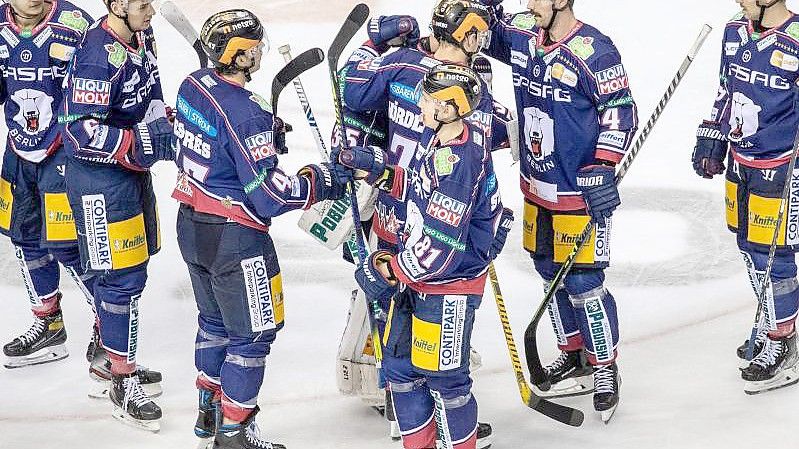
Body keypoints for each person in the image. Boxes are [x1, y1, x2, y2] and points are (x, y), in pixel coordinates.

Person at [173, 9, 349, 449]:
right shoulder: (247, 112)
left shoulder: (192, 84)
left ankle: (208, 416)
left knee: (214, 323)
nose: (258, 54)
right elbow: (270, 196)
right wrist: (319, 179)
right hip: (236, 237)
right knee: (253, 336)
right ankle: (234, 433)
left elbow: (219, 136)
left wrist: (263, 135)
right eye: (253, 47)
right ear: (241, 53)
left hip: (192, 226)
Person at [481, 0, 638, 421]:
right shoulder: (522, 36)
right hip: (537, 185)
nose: (527, 4)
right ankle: (575, 354)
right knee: (548, 271)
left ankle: (605, 367)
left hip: (578, 192)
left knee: (585, 283)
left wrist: (604, 165)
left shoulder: (593, 50)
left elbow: (621, 110)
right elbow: (479, 29)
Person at [337, 63, 504, 449]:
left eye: (428, 99)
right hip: (419, 277)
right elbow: (420, 185)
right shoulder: (442, 140)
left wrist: (389, 268)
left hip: (448, 285)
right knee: (399, 370)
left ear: (448, 108)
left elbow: (442, 246)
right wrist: (378, 171)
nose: (420, 103)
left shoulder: (463, 163)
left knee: (444, 380)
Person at [60, 0, 173, 431]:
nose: (152, 10)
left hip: (128, 177)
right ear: (118, 5)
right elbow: (78, 130)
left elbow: (152, 95)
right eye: (144, 3)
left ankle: (109, 357)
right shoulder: (95, 55)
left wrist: (166, 124)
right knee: (121, 280)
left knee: (133, 273)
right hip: (99, 182)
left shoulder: (142, 38)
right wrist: (142, 140)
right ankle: (120, 380)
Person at [692, 0, 799, 394]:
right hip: (741, 160)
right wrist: (713, 135)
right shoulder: (735, 31)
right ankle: (770, 318)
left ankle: (782, 341)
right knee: (745, 244)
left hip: (783, 163)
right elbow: (726, 91)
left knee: (772, 254)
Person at [0, 0, 96, 369]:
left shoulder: (75, 25)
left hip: (66, 152)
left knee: (69, 245)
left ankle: (107, 327)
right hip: (19, 147)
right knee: (23, 237)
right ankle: (48, 323)